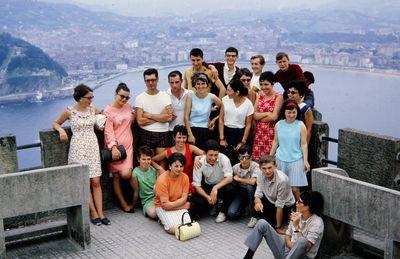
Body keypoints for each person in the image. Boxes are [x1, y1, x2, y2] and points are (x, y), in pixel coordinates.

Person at [53, 84, 110, 226]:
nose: (91, 100)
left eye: (92, 97)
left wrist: (99, 125)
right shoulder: (70, 112)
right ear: (79, 98)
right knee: (84, 182)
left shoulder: (93, 109)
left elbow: (103, 119)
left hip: (92, 146)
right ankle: (93, 213)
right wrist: (61, 131)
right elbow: (56, 123)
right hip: (78, 147)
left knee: (96, 181)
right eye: (89, 97)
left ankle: (101, 213)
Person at [244, 191, 324, 259]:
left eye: (299, 201)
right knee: (262, 223)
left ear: (307, 207)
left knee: (302, 241)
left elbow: (305, 248)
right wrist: (290, 245)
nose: (296, 203)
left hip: (302, 257)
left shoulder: (317, 223)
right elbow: (287, 235)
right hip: (286, 251)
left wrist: (296, 228)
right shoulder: (297, 214)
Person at [103, 82, 135, 213]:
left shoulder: (128, 107)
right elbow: (108, 131)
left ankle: (134, 198)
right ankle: (123, 203)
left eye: (127, 97)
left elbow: (133, 117)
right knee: (116, 176)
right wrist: (113, 147)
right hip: (115, 148)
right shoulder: (108, 111)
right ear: (115, 94)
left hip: (128, 147)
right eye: (121, 96)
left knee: (126, 174)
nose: (124, 99)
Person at [270, 99, 310, 201]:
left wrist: (305, 161)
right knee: (280, 187)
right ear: (284, 112)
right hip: (280, 159)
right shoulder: (278, 124)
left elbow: (304, 143)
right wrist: (270, 157)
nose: (291, 115)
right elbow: (275, 141)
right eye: (289, 112)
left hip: (296, 159)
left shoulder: (300, 125)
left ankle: (299, 209)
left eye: (294, 112)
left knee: (295, 189)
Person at [247, 155, 295, 232]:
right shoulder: (259, 174)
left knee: (270, 225)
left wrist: (278, 227)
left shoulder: (282, 180)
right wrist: (258, 203)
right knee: (256, 205)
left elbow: (280, 204)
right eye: (264, 168)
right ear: (260, 168)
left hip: (285, 205)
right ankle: (258, 216)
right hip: (270, 200)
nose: (267, 171)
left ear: (275, 166)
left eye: (270, 168)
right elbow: (258, 193)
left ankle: (287, 216)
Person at [191, 139, 234, 223]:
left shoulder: (224, 158)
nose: (213, 158)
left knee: (230, 188)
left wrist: (216, 187)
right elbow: (197, 185)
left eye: (216, 155)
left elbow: (229, 178)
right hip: (208, 186)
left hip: (222, 185)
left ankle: (223, 211)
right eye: (210, 155)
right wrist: (206, 196)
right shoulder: (199, 162)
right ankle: (212, 206)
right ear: (204, 153)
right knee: (197, 199)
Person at [152, 125, 204, 194]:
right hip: (173, 182)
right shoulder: (168, 151)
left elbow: (206, 154)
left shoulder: (191, 148)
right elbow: (152, 160)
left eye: (184, 137)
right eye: (179, 137)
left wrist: (198, 157)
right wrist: (159, 168)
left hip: (188, 182)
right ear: (174, 137)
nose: (181, 140)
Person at [135, 68, 173, 155]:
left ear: (157, 80)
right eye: (148, 81)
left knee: (161, 161)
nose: (150, 83)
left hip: (163, 132)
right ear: (145, 81)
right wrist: (160, 117)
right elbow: (140, 121)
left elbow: (169, 117)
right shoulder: (140, 98)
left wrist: (149, 115)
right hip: (146, 133)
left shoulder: (165, 96)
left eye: (153, 80)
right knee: (148, 162)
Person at [155, 152, 191, 234]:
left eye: (181, 166)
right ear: (170, 166)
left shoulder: (185, 177)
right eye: (176, 166)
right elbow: (165, 206)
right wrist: (183, 206)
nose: (179, 169)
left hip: (176, 204)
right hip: (162, 207)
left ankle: (163, 220)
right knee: (176, 229)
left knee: (188, 226)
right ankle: (162, 220)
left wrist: (172, 205)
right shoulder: (162, 179)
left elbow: (184, 198)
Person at [219, 79, 254, 164]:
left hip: (240, 133)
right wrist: (222, 138)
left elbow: (248, 125)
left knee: (238, 161)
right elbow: (221, 119)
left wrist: (242, 141)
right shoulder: (225, 100)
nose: (227, 92)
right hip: (226, 132)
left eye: (229, 90)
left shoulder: (248, 104)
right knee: (225, 160)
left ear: (237, 92)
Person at [184, 72, 222, 151]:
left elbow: (224, 108)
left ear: (207, 84)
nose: (200, 86)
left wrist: (215, 119)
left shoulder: (211, 96)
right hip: (192, 129)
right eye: (198, 84)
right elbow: (186, 117)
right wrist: (190, 135)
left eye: (203, 83)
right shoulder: (190, 97)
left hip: (206, 130)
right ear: (194, 85)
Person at [252, 72, 283, 161]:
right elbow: (254, 115)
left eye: (266, 84)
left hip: (272, 132)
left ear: (273, 84)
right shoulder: (260, 96)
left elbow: (274, 117)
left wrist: (260, 116)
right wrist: (267, 113)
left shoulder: (278, 96)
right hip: (259, 133)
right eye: (261, 84)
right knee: (258, 160)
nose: (263, 87)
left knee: (270, 160)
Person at [227, 145, 259, 220]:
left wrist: (239, 179)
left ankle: (252, 211)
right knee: (232, 213)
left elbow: (253, 182)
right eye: (241, 157)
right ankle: (243, 208)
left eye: (247, 157)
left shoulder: (256, 166)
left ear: (251, 157)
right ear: (238, 158)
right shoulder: (235, 167)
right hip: (241, 192)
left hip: (254, 192)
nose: (244, 160)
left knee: (249, 187)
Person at [131, 146, 164, 219]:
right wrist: (132, 205)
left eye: (148, 159)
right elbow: (136, 192)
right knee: (153, 213)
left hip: (159, 196)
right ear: (138, 159)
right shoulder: (135, 173)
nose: (146, 162)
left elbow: (161, 170)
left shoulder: (154, 169)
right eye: (143, 159)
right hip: (148, 201)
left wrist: (152, 162)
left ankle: (165, 212)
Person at [166, 70, 190, 146]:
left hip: (187, 131)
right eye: (172, 83)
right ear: (169, 82)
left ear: (181, 81)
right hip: (171, 131)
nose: (174, 85)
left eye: (177, 82)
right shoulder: (165, 95)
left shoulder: (189, 94)